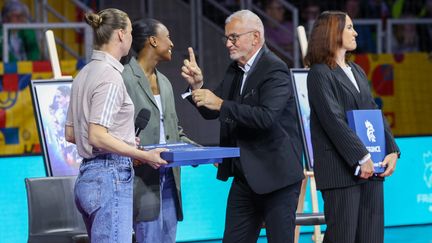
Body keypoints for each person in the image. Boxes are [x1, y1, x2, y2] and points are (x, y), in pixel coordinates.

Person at [181, 9, 304, 243]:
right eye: (227, 38)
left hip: (277, 178)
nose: (228, 43)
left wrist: (221, 104)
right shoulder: (235, 70)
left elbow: (265, 117)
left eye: (233, 37)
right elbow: (211, 111)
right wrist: (197, 88)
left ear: (255, 37)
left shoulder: (275, 68)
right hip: (245, 179)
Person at [65, 8, 167, 242]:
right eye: (130, 32)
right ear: (121, 34)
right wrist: (144, 154)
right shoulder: (110, 76)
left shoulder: (83, 74)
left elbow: (72, 134)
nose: (131, 38)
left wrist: (123, 140)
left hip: (87, 178)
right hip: (110, 177)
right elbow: (97, 135)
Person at [304, 11, 400, 243]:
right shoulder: (319, 73)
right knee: (342, 237)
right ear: (333, 33)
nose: (355, 32)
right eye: (349, 27)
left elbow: (373, 113)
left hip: (371, 169)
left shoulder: (357, 70)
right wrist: (361, 156)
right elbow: (332, 120)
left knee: (371, 237)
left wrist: (392, 150)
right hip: (341, 172)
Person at [121, 18, 196, 243]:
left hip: (170, 178)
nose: (172, 43)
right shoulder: (123, 77)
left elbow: (175, 130)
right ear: (153, 41)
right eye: (168, 37)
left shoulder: (165, 82)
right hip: (141, 179)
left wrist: (198, 151)